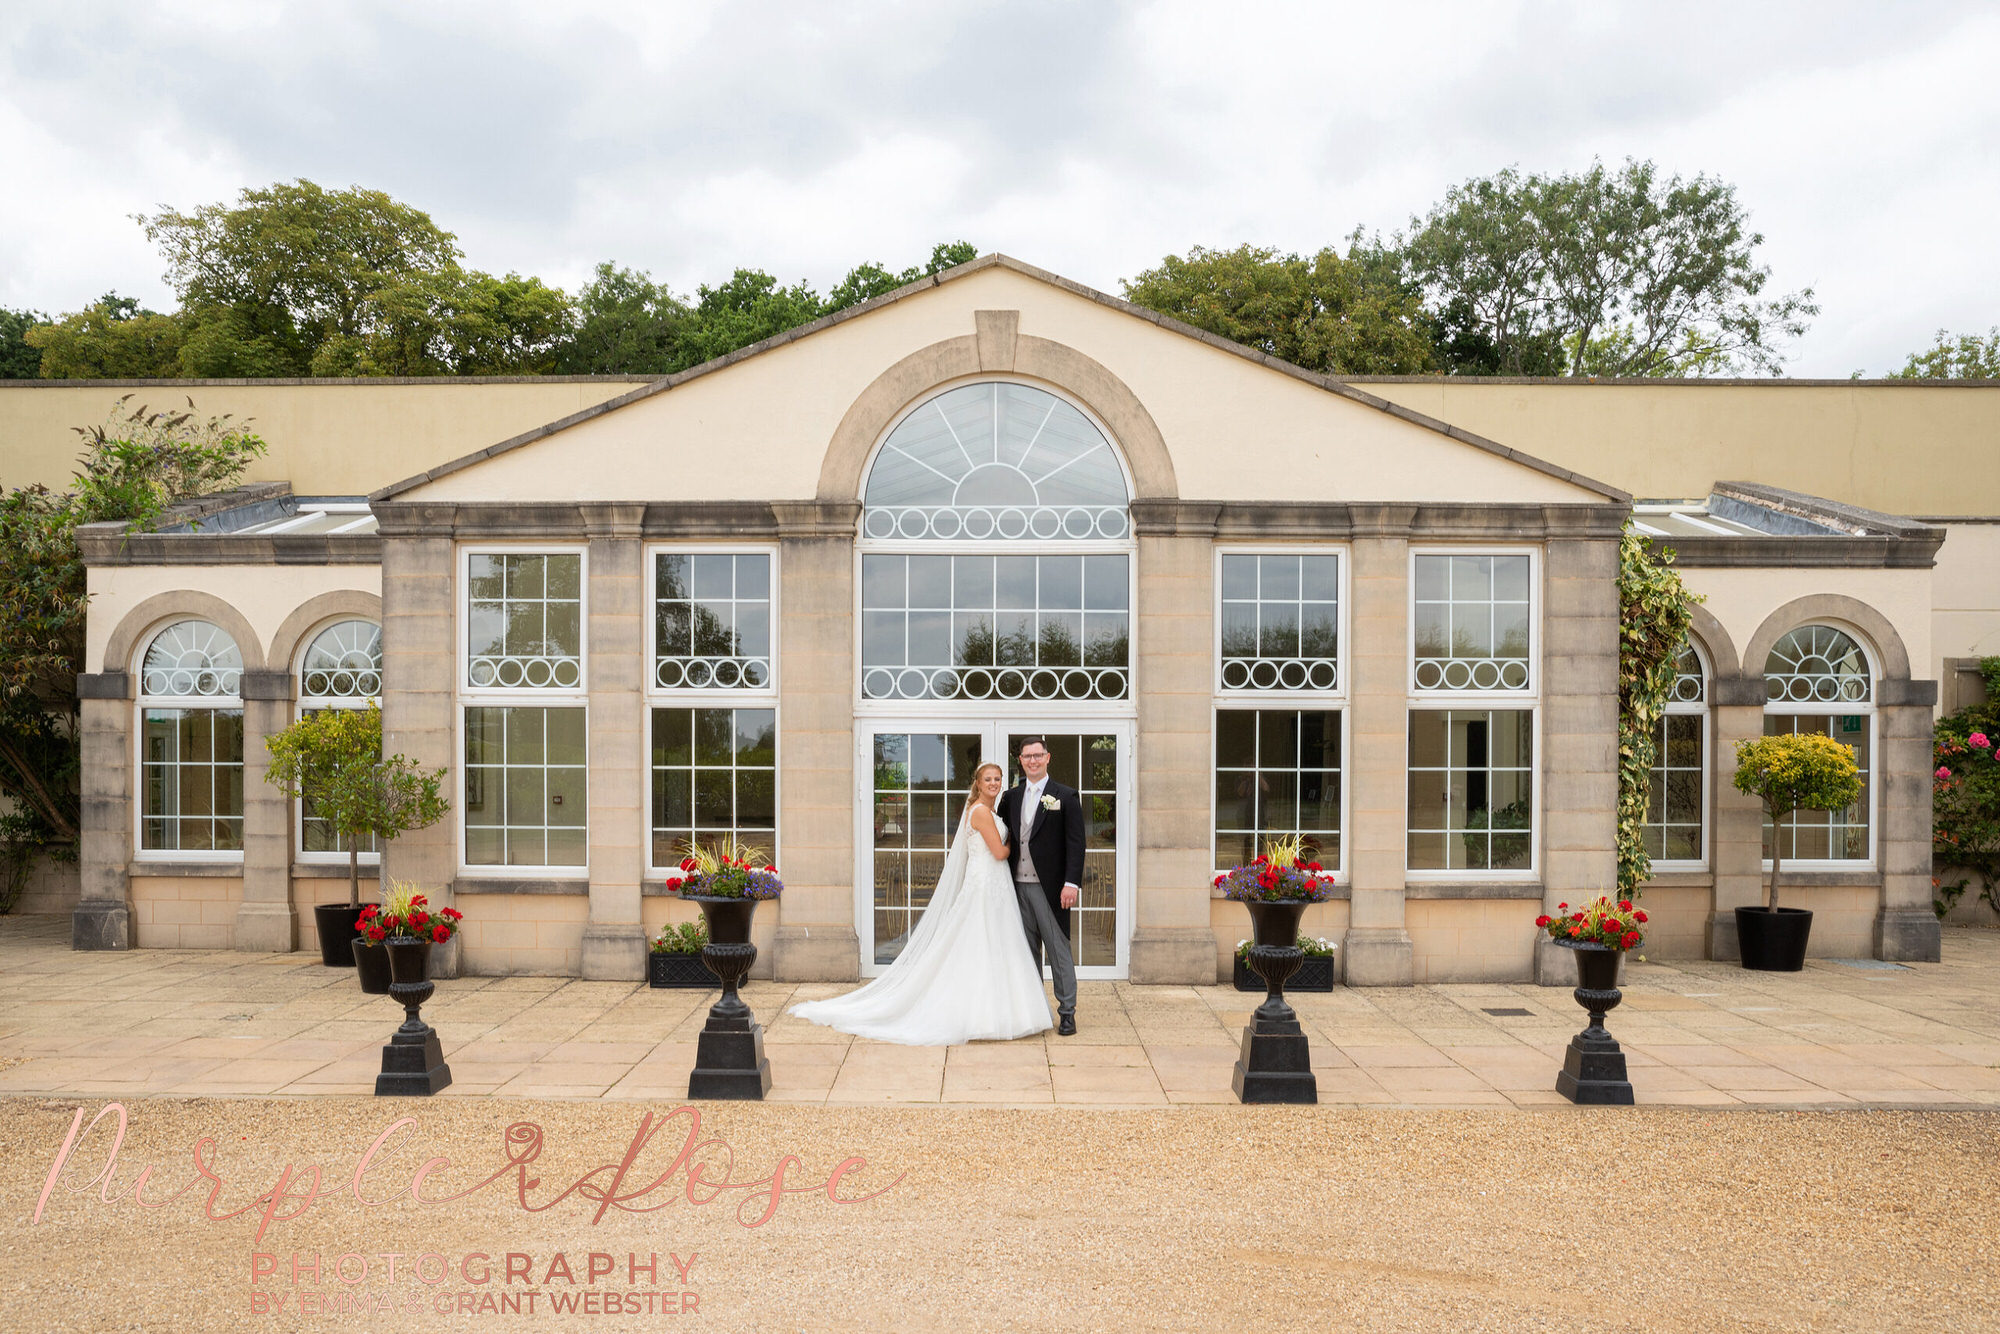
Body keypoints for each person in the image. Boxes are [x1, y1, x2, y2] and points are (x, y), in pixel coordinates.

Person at [789, 762, 1052, 1045]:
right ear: (977, 783)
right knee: (979, 942)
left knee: (993, 943)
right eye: (988, 779)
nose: (994, 783)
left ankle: (999, 1011)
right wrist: (1017, 842)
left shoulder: (987, 810)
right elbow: (1000, 853)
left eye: (998, 779)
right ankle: (980, 1015)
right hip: (985, 885)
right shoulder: (980, 812)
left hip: (993, 885)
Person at [996, 736, 1083, 1035]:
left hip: (1052, 889)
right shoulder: (1011, 798)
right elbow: (1001, 837)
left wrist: (1071, 883)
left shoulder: (1066, 796)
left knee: (1059, 952)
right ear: (1020, 760)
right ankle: (1032, 1012)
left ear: (1048, 758)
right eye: (1027, 756)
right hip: (1016, 887)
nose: (1032, 760)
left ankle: (1067, 1012)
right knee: (1025, 952)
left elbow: (1076, 844)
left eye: (1037, 755)